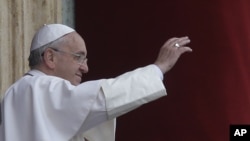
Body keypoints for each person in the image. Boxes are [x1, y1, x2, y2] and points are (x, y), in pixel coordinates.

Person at [0, 24, 192, 141]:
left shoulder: (19, 92)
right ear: (50, 57)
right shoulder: (39, 89)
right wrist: (158, 68)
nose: (85, 68)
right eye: (79, 57)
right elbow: (102, 98)